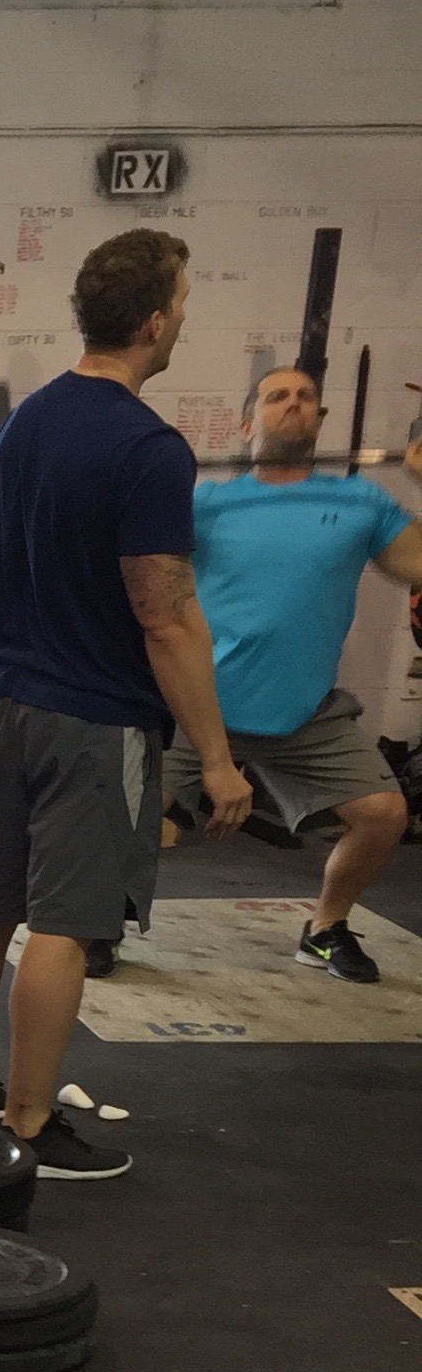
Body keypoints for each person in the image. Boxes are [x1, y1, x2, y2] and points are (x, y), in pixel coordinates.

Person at [0, 228, 253, 1180]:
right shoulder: (147, 448)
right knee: (65, 924)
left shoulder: (24, 425)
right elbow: (166, 616)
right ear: (153, 322)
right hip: (95, 720)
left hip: (7, 703)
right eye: (182, 302)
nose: (183, 316)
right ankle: (28, 1126)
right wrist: (217, 759)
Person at [163, 367, 422, 981]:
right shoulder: (206, 504)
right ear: (247, 425)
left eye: (306, 397)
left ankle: (325, 929)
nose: (293, 405)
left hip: (304, 714)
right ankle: (100, 921)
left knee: (384, 814)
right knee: (130, 815)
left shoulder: (359, 501)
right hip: (200, 707)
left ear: (321, 420)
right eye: (276, 396)